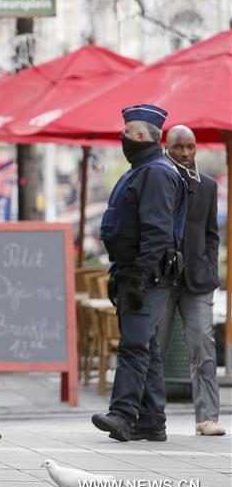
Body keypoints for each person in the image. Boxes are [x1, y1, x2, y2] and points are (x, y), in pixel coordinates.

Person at [93, 104, 188, 442]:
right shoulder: (142, 170)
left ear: (141, 135)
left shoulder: (156, 173)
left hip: (148, 275)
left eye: (126, 132)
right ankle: (151, 420)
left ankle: (122, 414)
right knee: (144, 345)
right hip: (137, 271)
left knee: (133, 346)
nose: (122, 138)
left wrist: (139, 277)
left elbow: (157, 233)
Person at [159, 125, 225, 436]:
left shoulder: (208, 186)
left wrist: (209, 267)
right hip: (162, 278)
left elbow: (212, 234)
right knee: (154, 348)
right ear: (166, 147)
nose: (185, 153)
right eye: (178, 147)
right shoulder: (157, 180)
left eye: (190, 146)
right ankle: (149, 413)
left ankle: (207, 418)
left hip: (198, 280)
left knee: (204, 348)